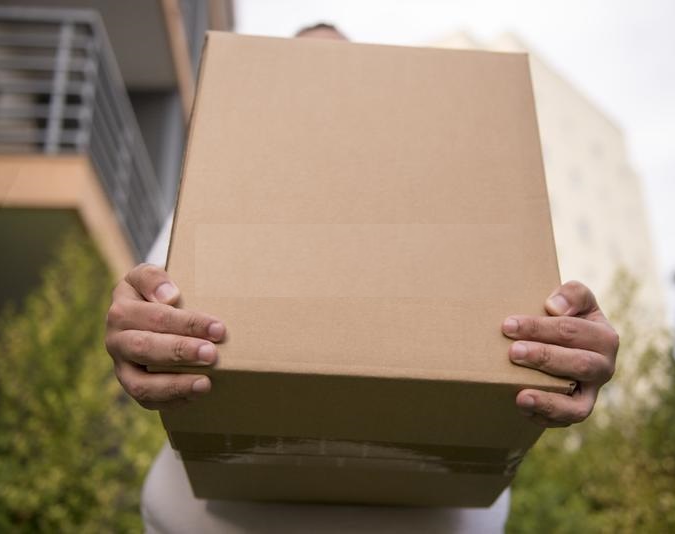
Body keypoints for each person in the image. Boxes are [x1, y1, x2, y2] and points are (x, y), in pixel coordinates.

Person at [104, 23, 620, 533]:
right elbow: (142, 323)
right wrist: (132, 331)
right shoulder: (200, 209)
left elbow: (562, 336)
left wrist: (579, 356)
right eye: (301, 76)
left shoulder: (486, 216)